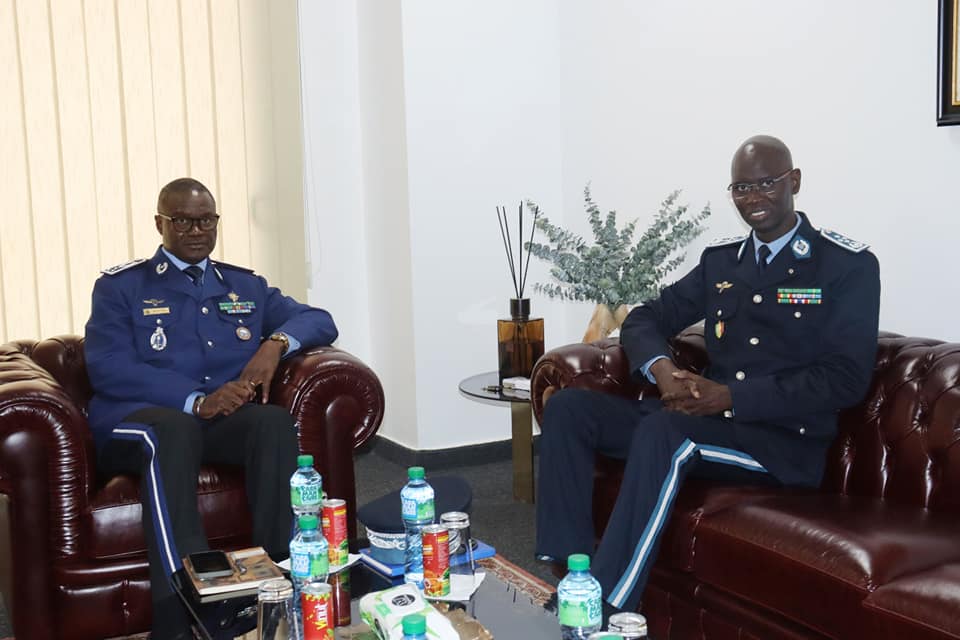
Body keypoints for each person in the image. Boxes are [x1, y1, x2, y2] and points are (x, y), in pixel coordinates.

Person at [535, 135, 881, 614]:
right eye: (741, 188)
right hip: (710, 422)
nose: (753, 198)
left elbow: (845, 378)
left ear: (794, 181)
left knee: (664, 429)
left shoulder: (846, 265)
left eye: (766, 184)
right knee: (570, 409)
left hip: (783, 444)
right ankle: (571, 572)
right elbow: (644, 318)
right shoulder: (723, 261)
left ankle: (606, 609)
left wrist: (731, 397)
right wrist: (664, 372)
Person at [84, 178, 338, 639]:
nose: (195, 230)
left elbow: (320, 319)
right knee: (174, 431)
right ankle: (186, 610)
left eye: (205, 220)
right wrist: (195, 401)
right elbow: (108, 368)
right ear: (159, 223)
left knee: (271, 423)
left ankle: (279, 585)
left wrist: (275, 344)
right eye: (181, 220)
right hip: (135, 420)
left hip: (213, 420)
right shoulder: (121, 286)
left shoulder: (243, 285)